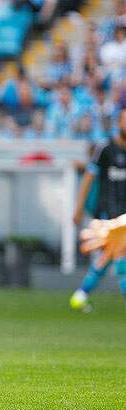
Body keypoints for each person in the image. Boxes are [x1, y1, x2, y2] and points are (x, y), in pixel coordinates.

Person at [70, 108, 126, 312]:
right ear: (118, 123)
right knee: (119, 254)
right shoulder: (105, 149)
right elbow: (88, 178)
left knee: (108, 257)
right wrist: (78, 208)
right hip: (107, 214)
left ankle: (81, 294)